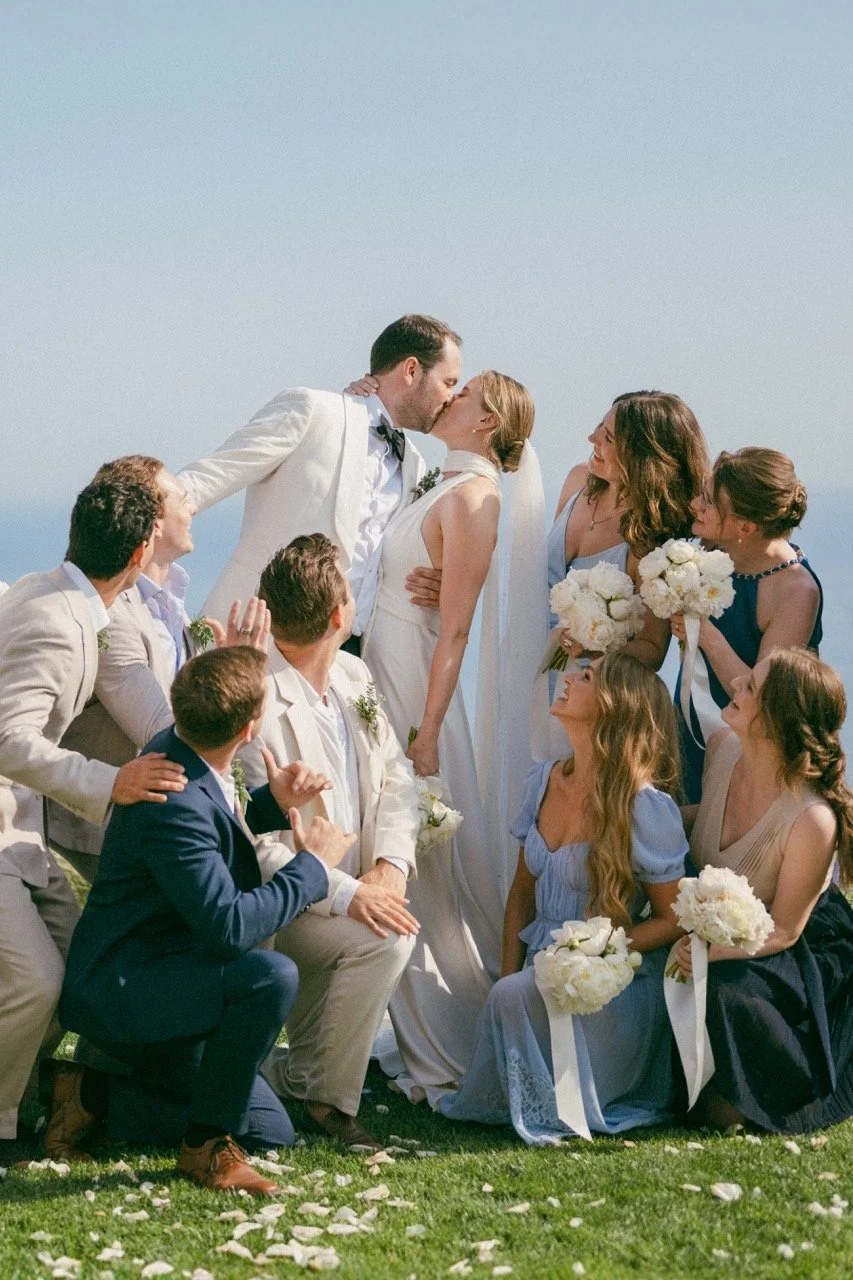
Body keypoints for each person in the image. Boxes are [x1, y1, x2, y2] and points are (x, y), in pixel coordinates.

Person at [54, 647, 352, 1193]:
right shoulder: (172, 795)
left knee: (270, 1130)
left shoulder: (185, 750)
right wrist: (312, 868)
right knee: (271, 975)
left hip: (171, 975)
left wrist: (269, 802)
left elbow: (212, 831)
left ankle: (93, 1095)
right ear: (249, 727)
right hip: (129, 995)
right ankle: (204, 1149)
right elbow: (229, 928)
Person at [360, 370, 544, 1105]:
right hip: (381, 664)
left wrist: (429, 728)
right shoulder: (440, 483)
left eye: (462, 393)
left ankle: (453, 1032)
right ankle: (405, 1018)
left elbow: (459, 627)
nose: (448, 396)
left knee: (421, 859)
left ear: (487, 422)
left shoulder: (475, 497)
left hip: (414, 686)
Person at [0, 479, 186, 1142]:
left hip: (22, 833)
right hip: (3, 835)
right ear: (140, 554)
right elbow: (8, 740)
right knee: (36, 983)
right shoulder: (54, 620)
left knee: (83, 972)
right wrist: (114, 782)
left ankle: (26, 1099)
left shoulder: (61, 594)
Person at [438, 653, 688, 1144]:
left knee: (514, 998)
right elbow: (520, 897)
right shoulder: (543, 780)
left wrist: (598, 952)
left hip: (609, 987)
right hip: (539, 968)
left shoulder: (645, 805)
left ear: (616, 706)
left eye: (587, 677)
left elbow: (674, 917)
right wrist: (508, 979)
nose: (568, 678)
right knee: (504, 995)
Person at [239, 535, 420, 1148]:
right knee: (386, 939)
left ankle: (297, 1076)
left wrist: (391, 866)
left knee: (385, 924)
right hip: (279, 905)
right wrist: (347, 893)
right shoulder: (254, 698)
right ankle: (326, 1101)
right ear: (340, 615)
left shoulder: (353, 671)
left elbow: (396, 773)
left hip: (355, 883)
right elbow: (255, 842)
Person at [178, 315, 462, 654]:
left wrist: (440, 585)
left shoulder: (414, 464)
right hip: (257, 638)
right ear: (412, 370)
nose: (451, 397)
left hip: (351, 658)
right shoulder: (315, 411)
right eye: (448, 382)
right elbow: (210, 476)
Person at [48, 455, 270, 882]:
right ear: (151, 523)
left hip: (176, 811)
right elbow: (162, 730)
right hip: (109, 833)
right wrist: (240, 676)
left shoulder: (174, 605)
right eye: (181, 499)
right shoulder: (112, 614)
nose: (192, 508)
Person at [674, 647, 853, 1133]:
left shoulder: (812, 819)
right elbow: (702, 815)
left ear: (775, 719)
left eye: (750, 686)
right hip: (713, 929)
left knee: (727, 995)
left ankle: (748, 1097)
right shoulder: (721, 750)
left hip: (791, 941)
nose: (734, 686)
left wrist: (711, 953)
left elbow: (785, 930)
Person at [671, 448, 823, 802]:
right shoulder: (713, 550)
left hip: (749, 756)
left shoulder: (796, 592)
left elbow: (762, 697)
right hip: (687, 732)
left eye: (708, 502)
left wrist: (704, 633)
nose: (695, 504)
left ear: (745, 527)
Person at [550, 391, 709, 670]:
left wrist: (592, 649)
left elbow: (652, 648)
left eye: (609, 438)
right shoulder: (578, 482)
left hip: (586, 682)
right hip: (523, 658)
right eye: (601, 426)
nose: (592, 438)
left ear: (644, 457)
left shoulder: (654, 544)